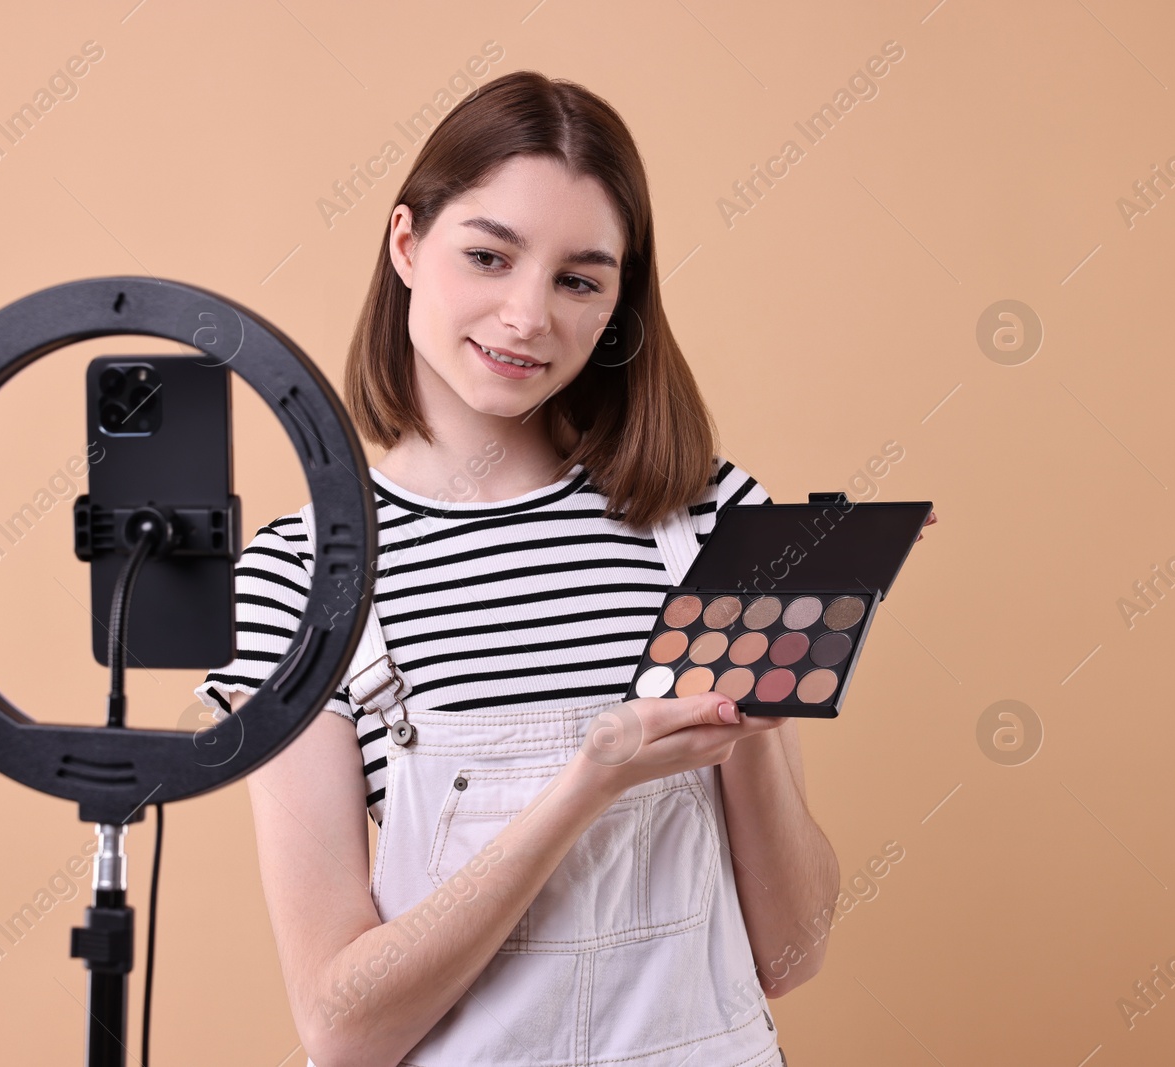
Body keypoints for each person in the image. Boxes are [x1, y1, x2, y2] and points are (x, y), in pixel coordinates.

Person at [196, 70, 843, 1067]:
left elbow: (792, 950)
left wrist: (747, 717)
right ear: (406, 243)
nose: (526, 314)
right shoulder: (301, 578)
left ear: (616, 303)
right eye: (489, 256)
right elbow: (341, 1026)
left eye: (579, 279)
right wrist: (589, 780)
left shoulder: (712, 519)